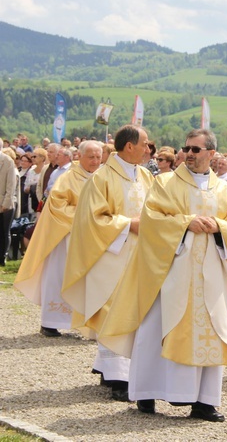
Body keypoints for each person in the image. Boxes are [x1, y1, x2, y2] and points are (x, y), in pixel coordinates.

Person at [97, 129, 227, 422]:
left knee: (212, 329)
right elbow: (152, 218)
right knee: (158, 326)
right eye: (186, 149)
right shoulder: (165, 183)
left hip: (211, 273)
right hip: (171, 270)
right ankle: (146, 392)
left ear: (211, 154)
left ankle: (204, 402)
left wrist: (220, 226)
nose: (188, 154)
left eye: (195, 149)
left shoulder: (225, 190)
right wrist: (186, 222)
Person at [61, 125, 154, 401]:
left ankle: (109, 366)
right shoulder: (101, 179)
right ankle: (117, 377)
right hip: (112, 256)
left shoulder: (147, 176)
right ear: (129, 147)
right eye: (145, 144)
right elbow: (92, 220)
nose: (149, 149)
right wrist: (129, 225)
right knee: (115, 310)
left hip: (142, 256)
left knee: (137, 311)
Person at [14, 141, 102, 337]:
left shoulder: (102, 178)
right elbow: (57, 204)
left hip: (92, 239)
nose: (95, 161)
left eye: (98, 157)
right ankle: (50, 322)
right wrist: (86, 216)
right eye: (91, 157)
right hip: (65, 238)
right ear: (79, 157)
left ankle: (86, 322)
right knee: (58, 277)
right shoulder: (68, 178)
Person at [0, 149, 17, 266]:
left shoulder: (7, 161)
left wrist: (5, 204)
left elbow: (11, 185)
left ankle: (2, 257)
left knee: (3, 231)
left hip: (4, 203)